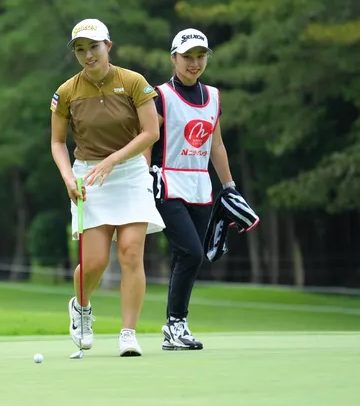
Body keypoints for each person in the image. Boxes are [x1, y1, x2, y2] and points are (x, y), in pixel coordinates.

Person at [50, 18, 165, 357]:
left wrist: (114, 160)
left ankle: (128, 333)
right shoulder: (66, 92)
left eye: (94, 47)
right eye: (80, 50)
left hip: (129, 172)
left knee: (130, 252)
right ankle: (81, 307)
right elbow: (57, 142)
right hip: (88, 176)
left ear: (108, 46)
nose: (88, 55)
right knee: (95, 261)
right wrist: (68, 178)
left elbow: (151, 132)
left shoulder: (133, 82)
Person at [144, 28, 236, 351]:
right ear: (174, 59)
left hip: (200, 186)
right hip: (166, 183)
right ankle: (176, 323)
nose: (194, 63)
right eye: (187, 57)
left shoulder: (212, 96)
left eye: (200, 56)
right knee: (192, 252)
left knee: (187, 256)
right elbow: (147, 140)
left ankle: (174, 328)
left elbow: (216, 145)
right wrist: (142, 182)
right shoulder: (160, 96)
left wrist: (229, 187)